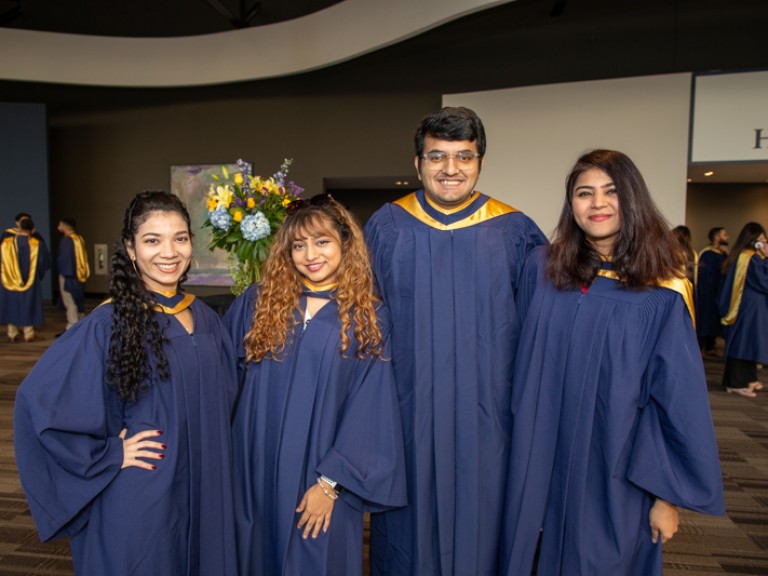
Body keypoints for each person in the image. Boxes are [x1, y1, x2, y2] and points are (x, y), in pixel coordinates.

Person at [500, 149, 724, 576]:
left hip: (613, 467)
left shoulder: (662, 291)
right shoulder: (542, 269)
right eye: (584, 193)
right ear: (572, 205)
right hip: (535, 456)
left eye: (611, 191)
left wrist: (665, 497)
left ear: (632, 199)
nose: (597, 203)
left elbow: (677, 399)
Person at [14, 191, 238, 575]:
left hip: (206, 488)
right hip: (144, 491)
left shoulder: (206, 318)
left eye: (180, 238)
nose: (169, 252)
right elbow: (39, 403)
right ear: (131, 249)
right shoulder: (108, 323)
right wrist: (111, 454)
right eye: (153, 240)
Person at [364, 106, 547, 575]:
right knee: (408, 528)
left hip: (488, 416)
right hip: (407, 413)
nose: (450, 170)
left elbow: (542, 328)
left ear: (480, 161)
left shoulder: (515, 231)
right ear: (417, 163)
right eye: (437, 157)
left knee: (485, 522)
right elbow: (360, 318)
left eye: (463, 157)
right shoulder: (386, 227)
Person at [223, 193, 406, 575]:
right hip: (251, 471)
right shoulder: (257, 303)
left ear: (345, 244)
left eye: (322, 241)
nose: (310, 255)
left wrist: (330, 484)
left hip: (321, 477)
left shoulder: (368, 317)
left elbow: (370, 407)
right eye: (299, 245)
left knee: (315, 558)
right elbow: (220, 379)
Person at [718, 222, 768, 397]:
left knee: (750, 342)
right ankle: (735, 383)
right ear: (753, 241)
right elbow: (764, 282)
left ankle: (747, 377)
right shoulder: (750, 258)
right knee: (743, 342)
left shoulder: (747, 256)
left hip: (751, 305)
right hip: (748, 306)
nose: (765, 243)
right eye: (761, 240)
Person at [0, 213, 51, 342]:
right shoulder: (37, 244)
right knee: (29, 304)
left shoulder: (6, 243)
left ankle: (12, 333)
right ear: (32, 229)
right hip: (30, 280)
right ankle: (28, 333)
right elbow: (44, 262)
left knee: (12, 303)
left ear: (19, 227)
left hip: (10, 280)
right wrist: (37, 275)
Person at [697, 226, 729, 356]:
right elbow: (705, 275)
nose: (727, 236)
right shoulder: (707, 253)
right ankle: (702, 347)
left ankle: (711, 345)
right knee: (706, 319)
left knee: (716, 320)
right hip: (708, 293)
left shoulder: (724, 254)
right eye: (724, 234)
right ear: (716, 237)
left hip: (720, 293)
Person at [56, 218, 90, 330]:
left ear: (65, 227)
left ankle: (72, 327)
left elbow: (65, 259)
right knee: (78, 299)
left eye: (60, 225)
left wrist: (65, 273)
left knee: (70, 300)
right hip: (79, 275)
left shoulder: (67, 240)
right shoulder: (79, 238)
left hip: (69, 275)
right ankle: (81, 324)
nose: (58, 227)